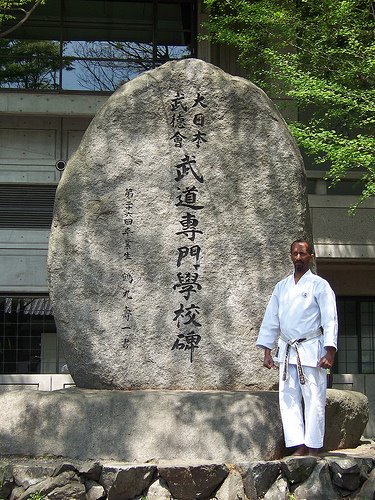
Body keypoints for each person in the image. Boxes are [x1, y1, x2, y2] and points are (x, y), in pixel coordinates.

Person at [256, 239, 338, 456]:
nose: (298, 258)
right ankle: (298, 445)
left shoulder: (320, 285)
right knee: (288, 398)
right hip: (287, 350)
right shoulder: (281, 287)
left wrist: (330, 350)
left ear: (311, 256)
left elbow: (330, 318)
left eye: (302, 254)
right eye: (295, 254)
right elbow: (271, 319)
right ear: (291, 256)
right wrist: (267, 350)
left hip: (311, 349)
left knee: (314, 398)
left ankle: (313, 446)